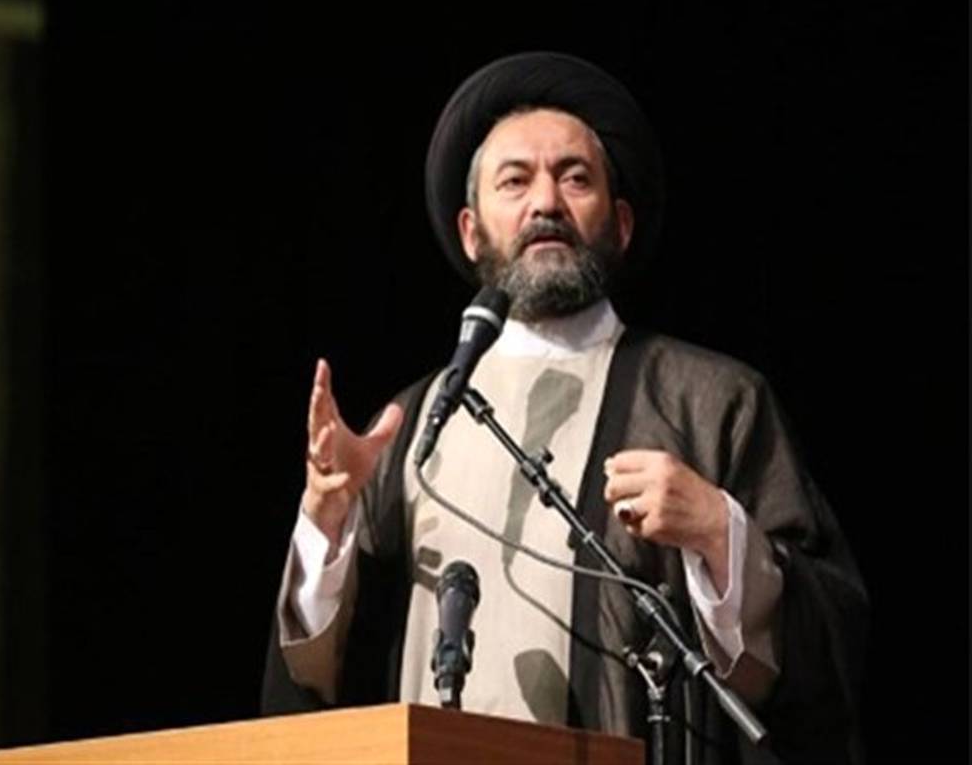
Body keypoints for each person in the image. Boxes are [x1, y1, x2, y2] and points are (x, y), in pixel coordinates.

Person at [260, 52, 868, 764]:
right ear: (471, 231)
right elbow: (321, 676)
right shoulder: (414, 424)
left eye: (575, 178)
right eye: (515, 181)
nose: (545, 202)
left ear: (621, 223)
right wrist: (327, 524)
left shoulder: (708, 401)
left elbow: (828, 646)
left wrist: (717, 532)